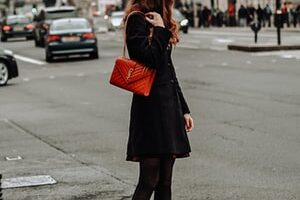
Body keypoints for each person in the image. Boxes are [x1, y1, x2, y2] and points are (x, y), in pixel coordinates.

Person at [123, 0, 194, 199]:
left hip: (169, 108)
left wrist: (184, 110)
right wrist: (161, 29)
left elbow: (168, 70)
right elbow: (149, 59)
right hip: (150, 110)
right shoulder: (137, 19)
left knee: (165, 181)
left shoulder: (160, 19)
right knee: (149, 180)